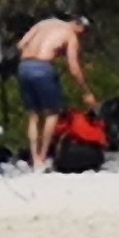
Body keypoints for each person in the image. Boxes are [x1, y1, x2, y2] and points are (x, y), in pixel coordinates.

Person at [16, 13, 99, 171]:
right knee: (52, 113)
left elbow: (21, 44)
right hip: (43, 68)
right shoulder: (70, 35)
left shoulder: (46, 22)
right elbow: (74, 67)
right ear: (80, 27)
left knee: (33, 115)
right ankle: (42, 158)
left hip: (24, 66)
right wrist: (86, 91)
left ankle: (34, 158)